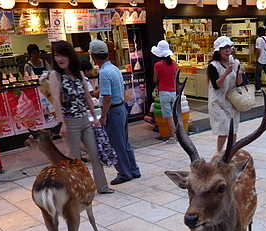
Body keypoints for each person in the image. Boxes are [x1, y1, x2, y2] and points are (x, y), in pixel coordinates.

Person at [48, 40, 113, 194]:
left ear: (70, 55)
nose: (60, 59)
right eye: (56, 55)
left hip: (85, 120)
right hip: (69, 122)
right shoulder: (55, 75)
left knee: (95, 154)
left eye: (63, 55)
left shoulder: (79, 73)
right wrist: (61, 123)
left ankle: (102, 187)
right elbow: (56, 99)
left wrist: (94, 117)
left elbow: (87, 97)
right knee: (74, 159)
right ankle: (78, 191)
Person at [90, 39, 140, 185]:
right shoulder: (114, 68)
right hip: (121, 108)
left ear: (92, 56)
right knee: (124, 142)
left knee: (116, 144)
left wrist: (103, 116)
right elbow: (105, 92)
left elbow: (107, 97)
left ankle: (124, 173)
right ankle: (133, 169)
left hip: (113, 111)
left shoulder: (104, 72)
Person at [207, 36, 246, 152]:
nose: (227, 50)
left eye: (229, 47)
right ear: (218, 51)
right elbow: (216, 85)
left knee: (233, 130)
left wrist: (240, 74)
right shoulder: (213, 66)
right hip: (218, 102)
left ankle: (232, 152)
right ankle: (219, 154)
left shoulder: (236, 63)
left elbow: (239, 83)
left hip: (232, 101)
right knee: (223, 130)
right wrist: (225, 73)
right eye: (224, 48)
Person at [151, 40, 178, 144]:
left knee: (168, 116)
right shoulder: (174, 64)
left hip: (164, 92)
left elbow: (154, 79)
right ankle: (179, 134)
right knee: (175, 115)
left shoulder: (158, 65)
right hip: (174, 91)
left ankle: (173, 136)